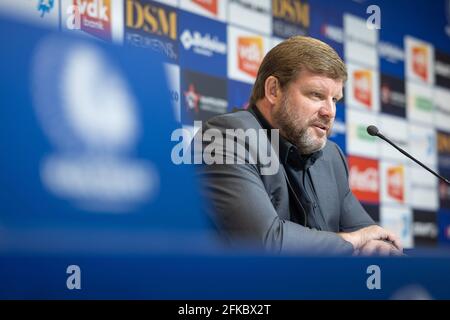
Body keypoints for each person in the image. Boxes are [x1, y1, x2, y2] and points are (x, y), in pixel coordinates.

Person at [196, 36, 403, 256]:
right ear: (274, 90)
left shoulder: (331, 157)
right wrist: (352, 241)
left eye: (335, 99)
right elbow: (265, 241)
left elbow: (368, 233)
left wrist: (381, 247)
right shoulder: (226, 135)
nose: (330, 112)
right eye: (316, 95)